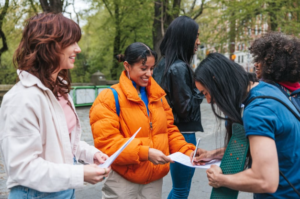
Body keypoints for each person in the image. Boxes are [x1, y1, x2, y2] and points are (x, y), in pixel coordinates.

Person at [0, 13, 111, 199]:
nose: (78, 49)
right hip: (35, 194)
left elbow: (61, 141)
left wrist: (91, 154)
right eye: (72, 42)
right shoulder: (21, 99)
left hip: (63, 188)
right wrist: (80, 174)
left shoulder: (58, 89)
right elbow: (22, 168)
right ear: (49, 46)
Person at [192, 32, 300, 198]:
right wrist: (213, 154)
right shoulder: (266, 89)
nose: (208, 101)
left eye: (206, 93)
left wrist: (221, 179)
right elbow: (264, 147)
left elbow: (265, 180)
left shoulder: (257, 111)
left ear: (217, 81)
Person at [90, 42, 196, 199]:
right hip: (123, 180)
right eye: (143, 68)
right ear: (127, 66)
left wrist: (189, 152)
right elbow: (107, 143)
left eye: (151, 68)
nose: (149, 74)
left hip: (153, 180)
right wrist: (145, 152)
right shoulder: (108, 98)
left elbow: (169, 131)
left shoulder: (159, 97)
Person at [152, 16, 203, 199]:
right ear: (185, 38)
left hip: (170, 132)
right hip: (183, 134)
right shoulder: (180, 67)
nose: (198, 41)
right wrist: (201, 89)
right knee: (181, 189)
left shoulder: (162, 65)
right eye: (195, 36)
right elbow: (186, 110)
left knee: (179, 188)